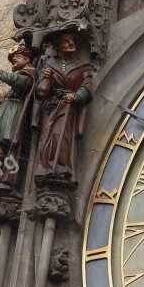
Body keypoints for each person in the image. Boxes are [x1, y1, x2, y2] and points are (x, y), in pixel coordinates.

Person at [33, 31, 94, 188]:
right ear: (58, 47)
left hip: (68, 107)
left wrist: (76, 96)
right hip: (51, 107)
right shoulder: (49, 65)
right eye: (66, 41)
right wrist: (45, 77)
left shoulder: (82, 66)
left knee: (60, 135)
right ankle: (47, 167)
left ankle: (61, 167)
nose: (70, 44)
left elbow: (87, 87)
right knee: (46, 136)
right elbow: (41, 91)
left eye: (72, 41)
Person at [0, 44, 36, 186]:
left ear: (27, 58)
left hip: (14, 113)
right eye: (12, 59)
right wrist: (1, 99)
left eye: (17, 57)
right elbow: (16, 92)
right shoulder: (20, 74)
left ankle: (0, 172)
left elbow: (21, 82)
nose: (14, 60)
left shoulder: (30, 73)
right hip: (9, 109)